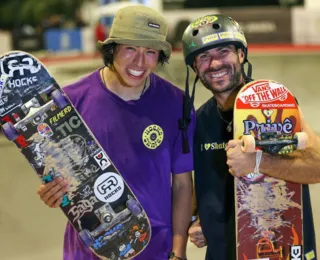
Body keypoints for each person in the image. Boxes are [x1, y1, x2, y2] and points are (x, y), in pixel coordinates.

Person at [37, 5, 194, 260]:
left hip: (156, 248)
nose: (139, 62)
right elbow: (57, 177)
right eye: (131, 48)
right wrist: (52, 192)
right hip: (89, 249)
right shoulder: (71, 102)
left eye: (150, 52)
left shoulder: (177, 104)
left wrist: (179, 250)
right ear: (113, 49)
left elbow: (182, 184)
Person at [180, 14, 320, 259]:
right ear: (194, 67)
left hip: (283, 250)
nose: (214, 64)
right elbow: (199, 185)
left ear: (241, 55)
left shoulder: (276, 105)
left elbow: (317, 166)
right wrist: (198, 219)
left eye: (223, 51)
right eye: (203, 57)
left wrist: (258, 162)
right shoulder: (198, 121)